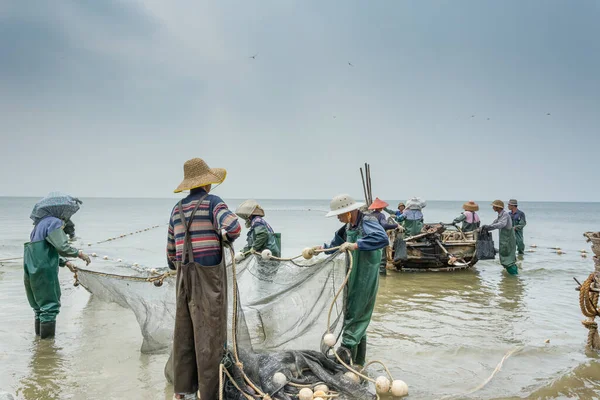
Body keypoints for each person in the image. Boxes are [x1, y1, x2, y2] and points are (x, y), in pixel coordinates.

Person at [166, 158, 241, 400]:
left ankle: (184, 392)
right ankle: (209, 394)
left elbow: (170, 254)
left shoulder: (176, 209)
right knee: (210, 335)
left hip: (183, 280)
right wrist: (220, 236)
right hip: (208, 280)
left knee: (185, 333)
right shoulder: (213, 203)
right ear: (208, 183)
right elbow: (234, 228)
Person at [318, 194, 389, 367]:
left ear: (349, 211)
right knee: (353, 312)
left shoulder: (368, 221)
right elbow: (335, 245)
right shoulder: (348, 225)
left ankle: (345, 356)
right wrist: (320, 249)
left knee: (358, 312)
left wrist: (356, 245)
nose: (338, 217)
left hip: (366, 275)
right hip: (353, 274)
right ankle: (357, 363)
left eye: (340, 213)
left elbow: (382, 238)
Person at [24, 192, 91, 339]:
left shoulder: (38, 226)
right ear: (58, 209)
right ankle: (48, 348)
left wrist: (65, 262)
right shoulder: (54, 222)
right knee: (50, 307)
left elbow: (43, 249)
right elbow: (62, 247)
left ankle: (39, 345)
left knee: (39, 308)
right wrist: (79, 253)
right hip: (44, 269)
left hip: (30, 268)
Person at [481, 200, 518, 275]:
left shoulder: (505, 215)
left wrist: (489, 227)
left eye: (494, 206)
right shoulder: (500, 215)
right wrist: (486, 228)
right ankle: (512, 279)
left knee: (508, 259)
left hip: (508, 239)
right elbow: (495, 223)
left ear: (498, 207)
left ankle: (514, 277)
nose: (493, 207)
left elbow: (501, 224)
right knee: (505, 257)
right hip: (504, 239)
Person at [368, 197, 398, 275]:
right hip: (379, 238)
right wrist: (396, 225)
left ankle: (373, 275)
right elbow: (384, 225)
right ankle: (382, 275)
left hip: (370, 238)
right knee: (382, 259)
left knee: (372, 258)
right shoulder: (381, 215)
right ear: (381, 208)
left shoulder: (369, 215)